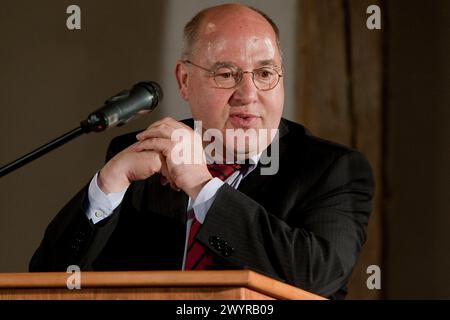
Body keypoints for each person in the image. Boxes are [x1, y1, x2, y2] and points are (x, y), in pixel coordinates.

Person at [29, 4, 374, 299]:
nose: (248, 94)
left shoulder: (332, 169)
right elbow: (50, 279)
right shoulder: (143, 155)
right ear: (184, 81)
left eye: (265, 73)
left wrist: (201, 186)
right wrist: (108, 184)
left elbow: (318, 279)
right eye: (226, 74)